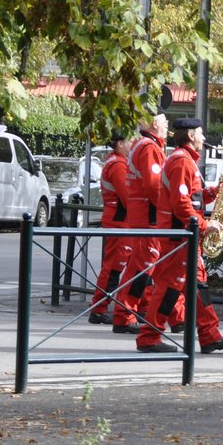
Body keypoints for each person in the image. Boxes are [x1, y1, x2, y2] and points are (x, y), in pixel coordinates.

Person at [137, 118, 223, 354]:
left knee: (199, 287)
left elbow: (191, 198)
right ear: (190, 136)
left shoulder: (185, 161)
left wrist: (212, 192)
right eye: (200, 133)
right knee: (168, 289)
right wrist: (206, 223)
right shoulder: (181, 162)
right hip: (180, 238)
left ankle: (210, 336)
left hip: (185, 236)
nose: (204, 138)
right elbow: (180, 204)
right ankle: (149, 337)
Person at [116, 111, 170, 334]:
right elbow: (154, 185)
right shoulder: (149, 147)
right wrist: (169, 209)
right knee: (143, 265)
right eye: (165, 121)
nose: (167, 125)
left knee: (146, 265)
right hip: (149, 215)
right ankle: (125, 313)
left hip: (145, 214)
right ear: (155, 123)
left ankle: (136, 311)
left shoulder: (143, 145)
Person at [88, 128, 137, 329]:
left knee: (113, 267)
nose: (133, 144)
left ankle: (100, 307)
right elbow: (127, 196)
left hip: (117, 220)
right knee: (114, 268)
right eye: (130, 141)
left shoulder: (115, 162)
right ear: (119, 144)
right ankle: (99, 308)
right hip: (119, 222)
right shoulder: (117, 165)